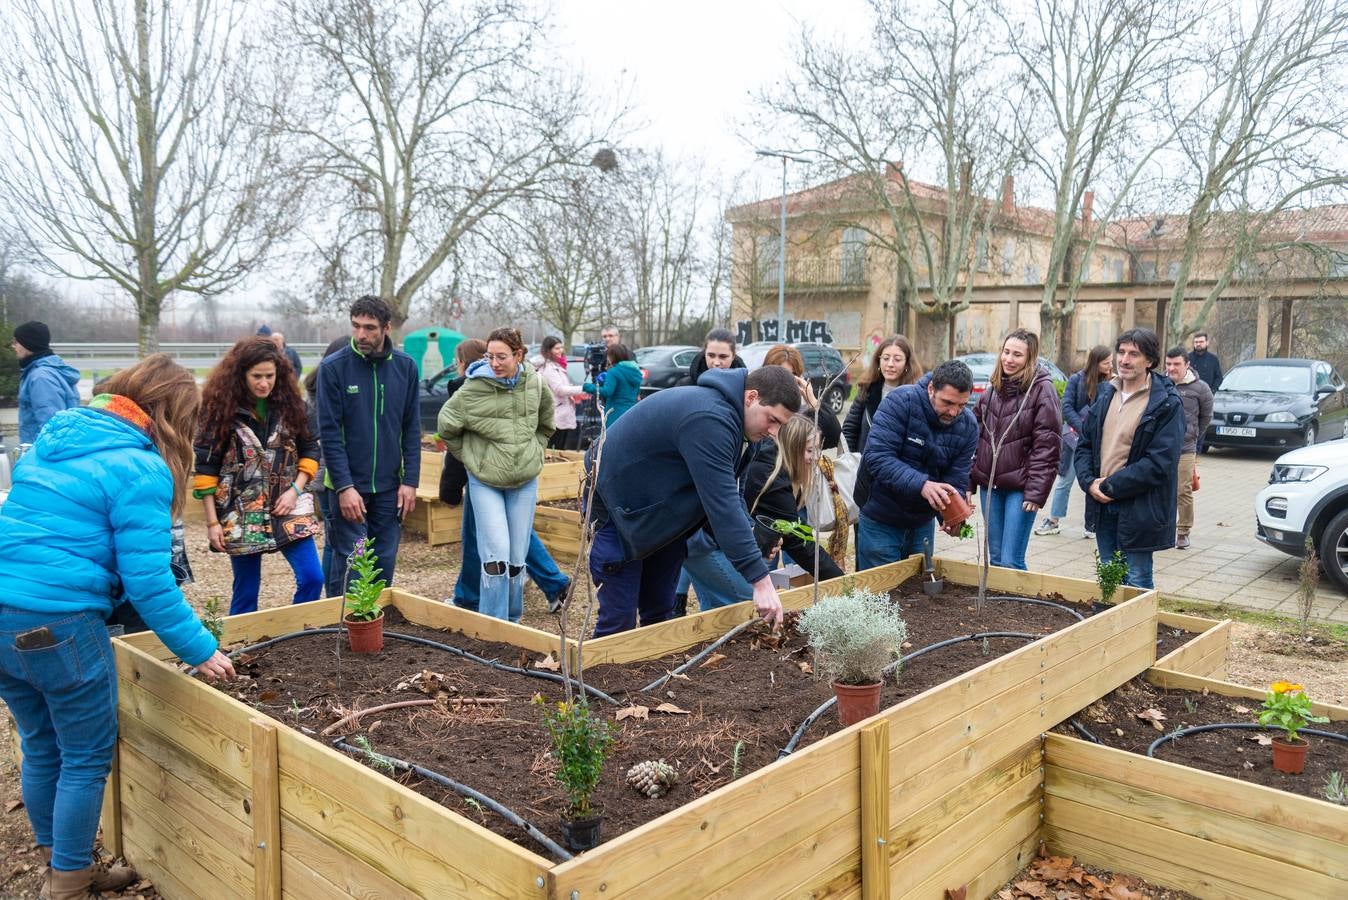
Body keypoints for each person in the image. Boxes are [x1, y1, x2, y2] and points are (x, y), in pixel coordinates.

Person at [0, 354, 235, 899]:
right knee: (84, 755)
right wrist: (201, 648)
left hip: (2, 611)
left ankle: (61, 862)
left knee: (40, 744)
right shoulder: (139, 466)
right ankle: (69, 884)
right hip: (59, 624)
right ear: (172, 412)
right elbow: (150, 583)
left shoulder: (53, 443)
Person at [587, 365, 801, 637]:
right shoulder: (709, 419)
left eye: (780, 425)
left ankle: (658, 679)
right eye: (772, 420)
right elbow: (720, 504)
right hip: (617, 506)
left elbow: (732, 496)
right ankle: (599, 678)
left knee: (661, 616)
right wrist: (760, 581)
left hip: (662, 513)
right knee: (618, 623)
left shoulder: (747, 432)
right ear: (751, 397)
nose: (774, 432)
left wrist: (753, 535)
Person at [439, 339, 572, 614]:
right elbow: (449, 427)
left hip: (521, 477)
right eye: (490, 356)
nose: (495, 363)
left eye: (501, 356)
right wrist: (472, 458)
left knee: (513, 553)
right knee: (494, 552)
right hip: (483, 478)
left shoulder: (533, 382)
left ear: (518, 355)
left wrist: (535, 449)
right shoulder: (472, 386)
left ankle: (510, 618)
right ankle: (490, 617)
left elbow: (547, 421)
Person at [194, 337, 324, 615]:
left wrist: (296, 490)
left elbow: (311, 450)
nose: (264, 383)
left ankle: (299, 635)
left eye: (270, 376)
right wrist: (212, 522)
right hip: (241, 510)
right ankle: (242, 647)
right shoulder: (218, 411)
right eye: (256, 376)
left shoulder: (295, 408)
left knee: (313, 577)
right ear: (241, 375)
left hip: (289, 503)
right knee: (246, 588)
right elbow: (206, 468)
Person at [317, 295, 421, 598]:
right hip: (350, 488)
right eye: (356, 326)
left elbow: (412, 429)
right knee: (353, 562)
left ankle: (374, 630)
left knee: (383, 564)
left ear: (387, 328)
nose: (361, 335)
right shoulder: (334, 368)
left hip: (389, 489)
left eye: (370, 328)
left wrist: (410, 481)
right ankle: (342, 631)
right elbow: (330, 434)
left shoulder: (405, 368)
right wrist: (344, 486)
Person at [683, 415, 844, 610]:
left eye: (819, 449)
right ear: (793, 447)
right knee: (746, 604)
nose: (816, 457)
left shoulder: (777, 464)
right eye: (810, 450)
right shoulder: (774, 477)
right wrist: (842, 583)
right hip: (708, 543)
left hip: (716, 539)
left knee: (718, 608)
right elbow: (800, 543)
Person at [1074, 328, 1183, 590]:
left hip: (1139, 507)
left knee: (1136, 580)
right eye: (1121, 352)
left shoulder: (1167, 403)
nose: (1124, 360)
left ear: (1149, 360)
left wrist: (1111, 486)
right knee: (1110, 578)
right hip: (1102, 503)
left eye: (1134, 354)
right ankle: (1111, 631)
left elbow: (1159, 463)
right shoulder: (1105, 394)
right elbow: (1084, 446)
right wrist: (1090, 483)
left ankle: (1138, 631)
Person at [857, 360, 979, 570]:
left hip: (922, 522)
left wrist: (951, 515)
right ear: (931, 388)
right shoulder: (900, 402)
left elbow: (956, 476)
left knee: (916, 595)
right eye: (947, 403)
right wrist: (923, 485)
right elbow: (878, 457)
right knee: (879, 594)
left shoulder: (968, 426)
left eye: (961, 405)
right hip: (881, 516)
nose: (953, 412)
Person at [970, 330, 1062, 571]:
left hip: (1020, 489)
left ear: (1030, 358)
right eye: (1006, 352)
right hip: (990, 487)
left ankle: (1017, 607)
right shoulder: (991, 392)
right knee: (996, 559)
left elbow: (1047, 445)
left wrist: (1036, 491)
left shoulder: (1043, 391)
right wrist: (968, 481)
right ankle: (997, 609)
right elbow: (973, 438)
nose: (1009, 359)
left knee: (1011, 560)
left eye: (1017, 355)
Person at [1036, 345, 1112, 538]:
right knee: (1064, 481)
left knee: (1093, 482)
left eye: (1111, 362)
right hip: (1073, 440)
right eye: (1106, 362)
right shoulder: (1077, 379)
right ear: (1096, 362)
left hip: (1098, 442)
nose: (1110, 365)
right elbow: (1067, 407)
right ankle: (1053, 520)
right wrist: (1084, 429)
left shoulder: (1111, 384)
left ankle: (1091, 526)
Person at [303, 337, 351, 590]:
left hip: (326, 474)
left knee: (334, 539)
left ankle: (333, 595)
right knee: (335, 539)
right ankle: (334, 595)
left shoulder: (317, 383)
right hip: (328, 473)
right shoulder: (327, 388)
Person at [1165, 346, 1213, 551]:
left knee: (1182, 489)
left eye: (1176, 364)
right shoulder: (1160, 384)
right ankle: (1162, 528)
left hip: (1185, 447)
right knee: (1160, 489)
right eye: (1168, 364)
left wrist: (1192, 435)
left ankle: (1183, 531)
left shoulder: (1201, 388)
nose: (1172, 368)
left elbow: (1206, 418)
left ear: (1187, 365)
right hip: (1161, 446)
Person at [842, 335, 923, 458]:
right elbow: (850, 430)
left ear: (907, 363)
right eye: (886, 358)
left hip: (898, 471)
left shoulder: (916, 396)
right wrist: (852, 461)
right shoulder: (867, 388)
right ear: (878, 361)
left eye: (897, 359)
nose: (890, 364)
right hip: (863, 468)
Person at [761, 343, 843, 450]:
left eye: (792, 375)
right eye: (781, 374)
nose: (786, 381)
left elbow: (833, 437)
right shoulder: (758, 405)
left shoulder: (802, 410)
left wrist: (813, 402)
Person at [13, 321, 81, 444]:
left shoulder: (41, 378)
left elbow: (51, 427)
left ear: (28, 344)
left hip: (41, 454)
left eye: (16, 342)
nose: (14, 346)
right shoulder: (47, 370)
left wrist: (36, 457)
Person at [536, 336, 584, 450]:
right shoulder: (549, 368)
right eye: (556, 348)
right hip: (556, 415)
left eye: (561, 348)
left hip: (561, 413)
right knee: (555, 450)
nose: (560, 351)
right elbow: (560, 389)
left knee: (560, 448)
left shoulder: (558, 365)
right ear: (548, 350)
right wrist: (583, 388)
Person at [585, 343, 642, 427]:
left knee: (613, 439)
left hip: (615, 414)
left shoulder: (614, 371)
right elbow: (634, 392)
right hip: (631, 412)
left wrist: (587, 387)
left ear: (612, 356)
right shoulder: (636, 371)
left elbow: (607, 392)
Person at [677, 327, 744, 386]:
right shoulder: (684, 386)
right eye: (711, 356)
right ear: (705, 353)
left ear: (733, 356)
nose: (716, 363)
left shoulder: (745, 388)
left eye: (723, 356)